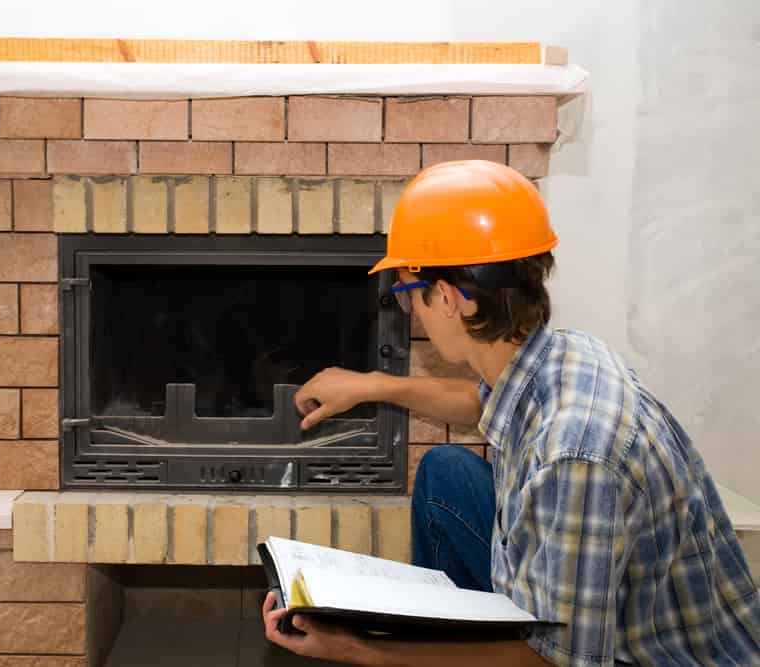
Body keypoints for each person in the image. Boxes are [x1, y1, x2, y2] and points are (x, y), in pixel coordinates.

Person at [262, 160, 760, 666]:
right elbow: (483, 402)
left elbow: (559, 661)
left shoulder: (576, 456)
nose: (408, 310)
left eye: (408, 292)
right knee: (448, 472)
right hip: (611, 602)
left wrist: (360, 649)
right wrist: (371, 385)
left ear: (452, 300)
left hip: (643, 656)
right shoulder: (560, 355)